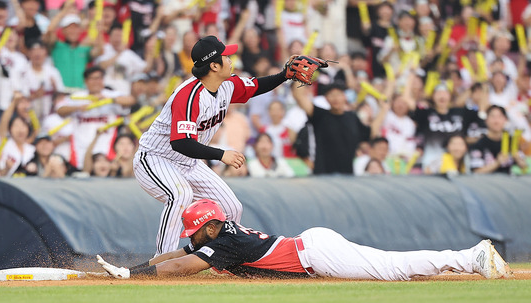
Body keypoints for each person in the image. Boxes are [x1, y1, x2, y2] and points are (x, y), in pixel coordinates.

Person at [134, 36, 301, 256]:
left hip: (188, 161)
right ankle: (162, 262)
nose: (230, 59)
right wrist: (221, 154)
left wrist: (284, 75)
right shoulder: (189, 95)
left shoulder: (225, 86)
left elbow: (256, 86)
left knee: (231, 208)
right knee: (179, 195)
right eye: (226, 56)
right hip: (155, 158)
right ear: (214, 65)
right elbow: (180, 142)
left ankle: (218, 258)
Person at [97, 199, 512, 280]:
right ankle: (458, 259)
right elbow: (180, 252)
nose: (192, 236)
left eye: (196, 228)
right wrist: (135, 267)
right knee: (388, 264)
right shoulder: (218, 232)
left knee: (391, 268)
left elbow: (180, 265)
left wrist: (134, 279)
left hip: (316, 254)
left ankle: (467, 256)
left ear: (208, 226)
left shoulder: (221, 243)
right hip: (311, 244)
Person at [56, 66, 135, 169]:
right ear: (86, 81)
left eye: (99, 78)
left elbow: (131, 100)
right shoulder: (78, 96)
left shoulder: (110, 94)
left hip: (105, 150)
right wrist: (78, 108)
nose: (97, 82)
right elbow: (59, 109)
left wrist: (109, 100)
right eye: (93, 79)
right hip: (80, 149)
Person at [291, 82, 371, 175]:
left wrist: (383, 109)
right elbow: (299, 96)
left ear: (345, 97)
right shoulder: (320, 115)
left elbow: (370, 134)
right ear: (326, 99)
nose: (335, 98)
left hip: (347, 175)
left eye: (338, 94)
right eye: (331, 95)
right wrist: (301, 71)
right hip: (323, 174)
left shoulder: (352, 117)